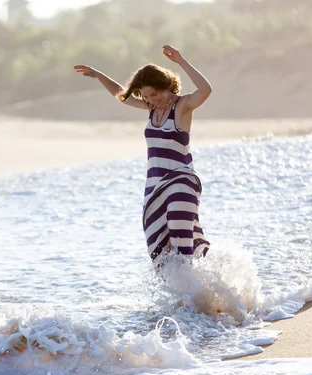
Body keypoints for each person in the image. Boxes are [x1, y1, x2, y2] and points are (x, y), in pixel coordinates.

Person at [74, 45, 211, 266]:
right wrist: (99, 76)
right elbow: (122, 95)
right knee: (160, 253)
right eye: (146, 96)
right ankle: (179, 300)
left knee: (182, 247)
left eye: (155, 94)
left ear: (166, 86)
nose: (152, 100)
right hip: (154, 186)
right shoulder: (151, 109)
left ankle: (191, 299)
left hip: (180, 182)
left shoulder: (183, 106)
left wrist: (181, 61)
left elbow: (206, 90)